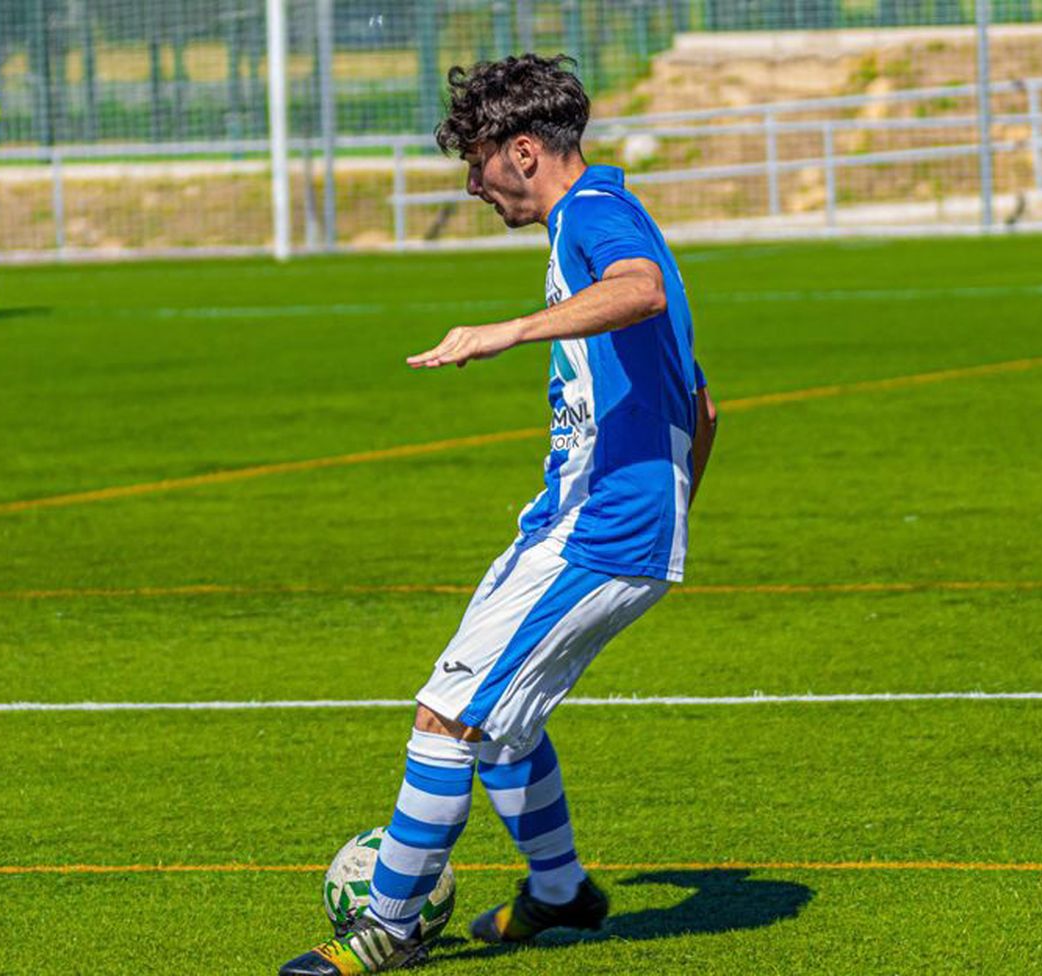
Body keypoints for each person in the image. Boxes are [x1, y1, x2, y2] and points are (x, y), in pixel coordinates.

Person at [279, 53, 717, 976]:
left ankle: (387, 926)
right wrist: (667, 512)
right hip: (581, 522)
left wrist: (504, 331)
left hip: (598, 529)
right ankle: (561, 891)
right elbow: (704, 406)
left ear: (524, 151)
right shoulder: (594, 219)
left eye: (477, 161)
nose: (472, 184)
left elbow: (636, 290)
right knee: (506, 724)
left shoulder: (595, 215)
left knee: (446, 716)